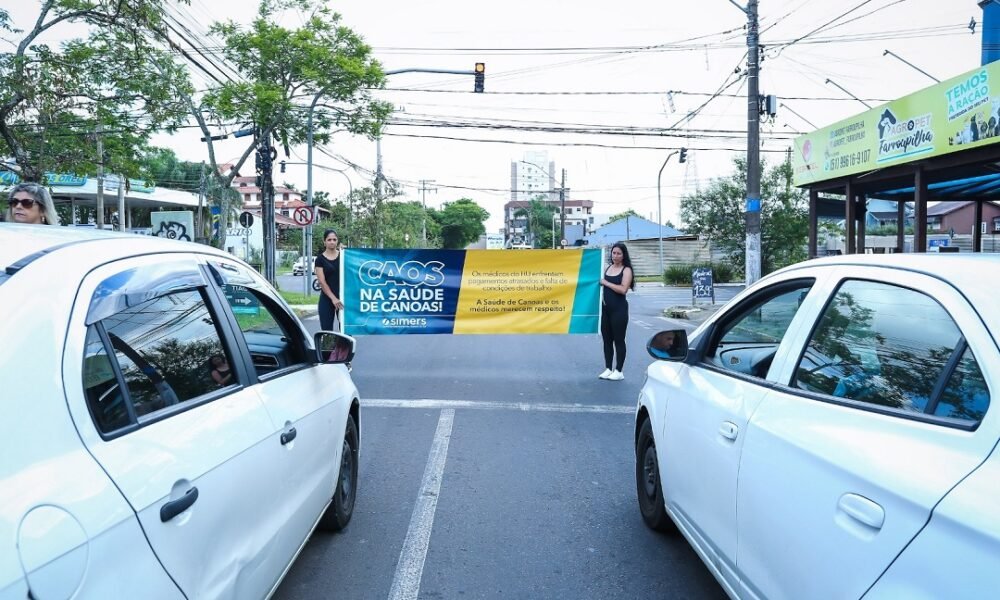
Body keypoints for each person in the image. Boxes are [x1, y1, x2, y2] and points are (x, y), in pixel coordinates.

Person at [598, 242, 635, 381]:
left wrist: (606, 282)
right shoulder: (608, 268)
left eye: (619, 253)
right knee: (607, 340)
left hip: (619, 310)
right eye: (614, 253)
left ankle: (619, 370)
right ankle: (608, 368)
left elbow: (623, 289)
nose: (615, 256)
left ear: (623, 255)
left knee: (618, 340)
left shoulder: (626, 270)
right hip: (605, 310)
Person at [315, 229, 344, 331]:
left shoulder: (344, 256)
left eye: (334, 239)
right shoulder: (320, 259)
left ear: (337, 241)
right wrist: (333, 298)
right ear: (324, 242)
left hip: (343, 299)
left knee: (346, 331)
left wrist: (347, 252)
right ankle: (328, 347)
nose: (332, 242)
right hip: (327, 299)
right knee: (327, 332)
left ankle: (344, 348)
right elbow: (322, 282)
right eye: (329, 239)